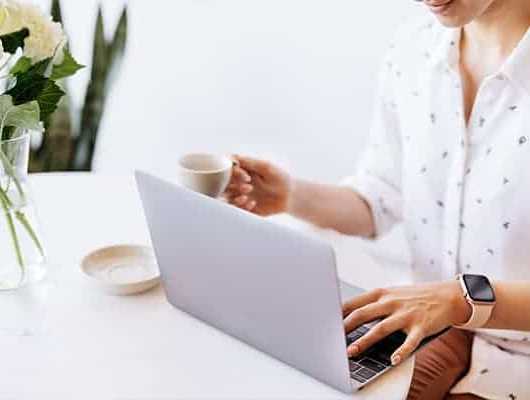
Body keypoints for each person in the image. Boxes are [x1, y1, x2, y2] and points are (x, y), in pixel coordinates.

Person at [225, 0, 530, 399]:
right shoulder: (412, 51)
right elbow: (379, 198)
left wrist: (461, 298)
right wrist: (290, 196)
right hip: (433, 330)